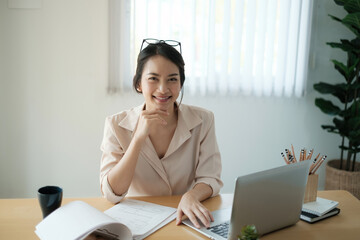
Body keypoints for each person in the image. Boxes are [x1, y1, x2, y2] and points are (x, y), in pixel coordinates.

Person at [100, 39, 223, 229]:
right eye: (153, 78)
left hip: (182, 220)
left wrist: (191, 196)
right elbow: (111, 193)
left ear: (181, 83)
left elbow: (210, 177)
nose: (163, 89)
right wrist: (138, 138)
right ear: (139, 83)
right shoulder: (116, 125)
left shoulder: (203, 120)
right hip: (136, 223)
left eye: (172, 79)